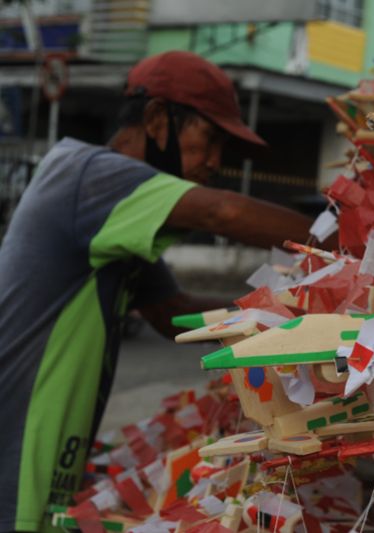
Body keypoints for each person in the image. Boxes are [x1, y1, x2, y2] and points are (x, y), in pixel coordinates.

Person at [0, 51, 317, 531]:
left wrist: (291, 316)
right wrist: (348, 239)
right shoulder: (88, 174)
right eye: (208, 139)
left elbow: (172, 314)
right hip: (15, 454)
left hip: (45, 458)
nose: (214, 162)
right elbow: (222, 214)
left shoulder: (118, 224)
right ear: (155, 119)